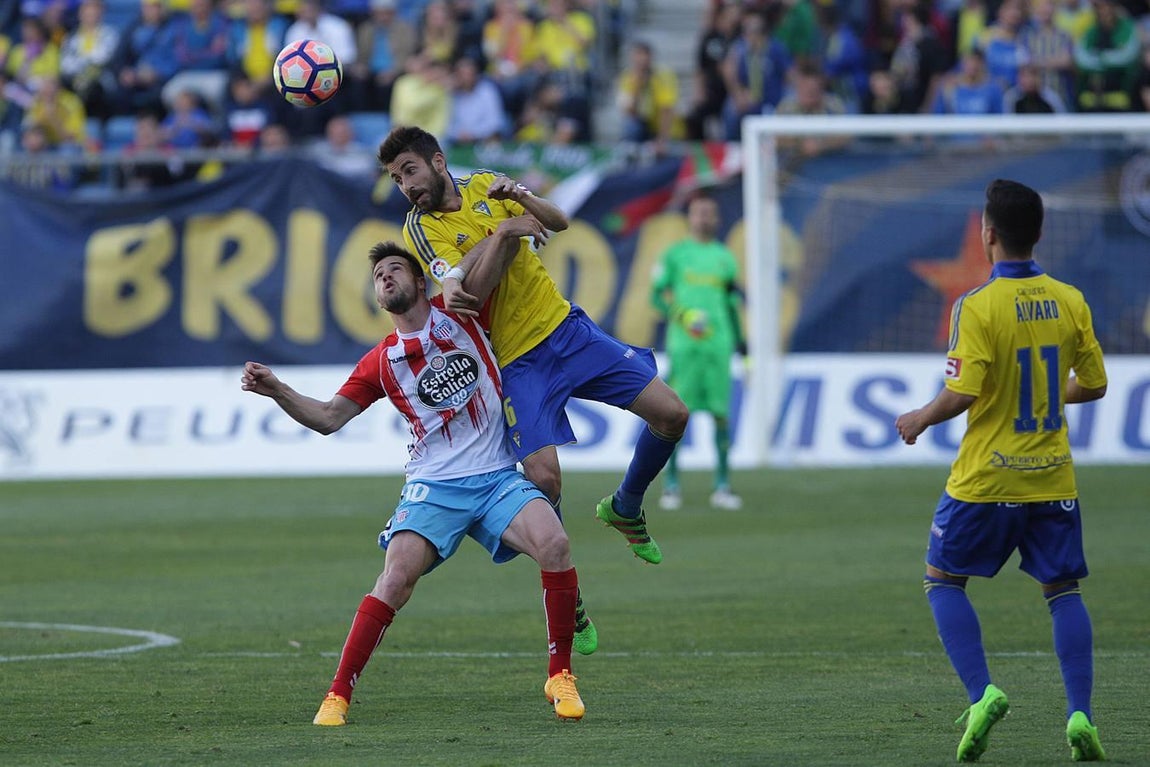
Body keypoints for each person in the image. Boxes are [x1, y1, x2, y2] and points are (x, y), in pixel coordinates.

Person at [241, 241, 587, 725]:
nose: (384, 278)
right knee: (396, 578)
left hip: (494, 478)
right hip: (434, 486)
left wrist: (510, 225)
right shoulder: (381, 361)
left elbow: (494, 257)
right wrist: (276, 389)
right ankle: (337, 695)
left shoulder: (461, 311)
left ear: (420, 282)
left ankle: (559, 675)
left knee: (555, 543)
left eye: (395, 269)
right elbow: (328, 418)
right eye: (378, 274)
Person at [377, 125, 689, 577]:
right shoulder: (419, 229)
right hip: (515, 361)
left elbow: (558, 222)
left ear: (438, 162)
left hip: (567, 330)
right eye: (396, 179)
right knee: (544, 479)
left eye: (409, 171)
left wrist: (522, 199)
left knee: (672, 414)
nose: (406, 186)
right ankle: (568, 597)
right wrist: (503, 235)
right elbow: (469, 294)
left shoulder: (486, 183)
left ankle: (626, 506)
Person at [895, 179, 1108, 763]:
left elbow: (962, 392)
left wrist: (918, 418)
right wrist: (1042, 393)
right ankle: (1080, 715)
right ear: (1038, 234)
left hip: (987, 478)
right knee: (1063, 592)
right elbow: (1094, 384)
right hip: (1051, 476)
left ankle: (982, 692)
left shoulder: (977, 304)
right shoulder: (1070, 300)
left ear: (988, 235)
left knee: (942, 579)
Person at [651, 193, 745, 512]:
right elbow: (656, 296)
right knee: (676, 414)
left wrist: (743, 345)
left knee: (721, 413)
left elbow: (732, 302)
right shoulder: (675, 255)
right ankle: (672, 484)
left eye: (709, 213)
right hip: (686, 348)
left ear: (716, 219)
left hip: (719, 347)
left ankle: (722, 485)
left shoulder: (725, 257)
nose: (704, 218)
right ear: (690, 218)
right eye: (698, 212)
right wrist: (683, 316)